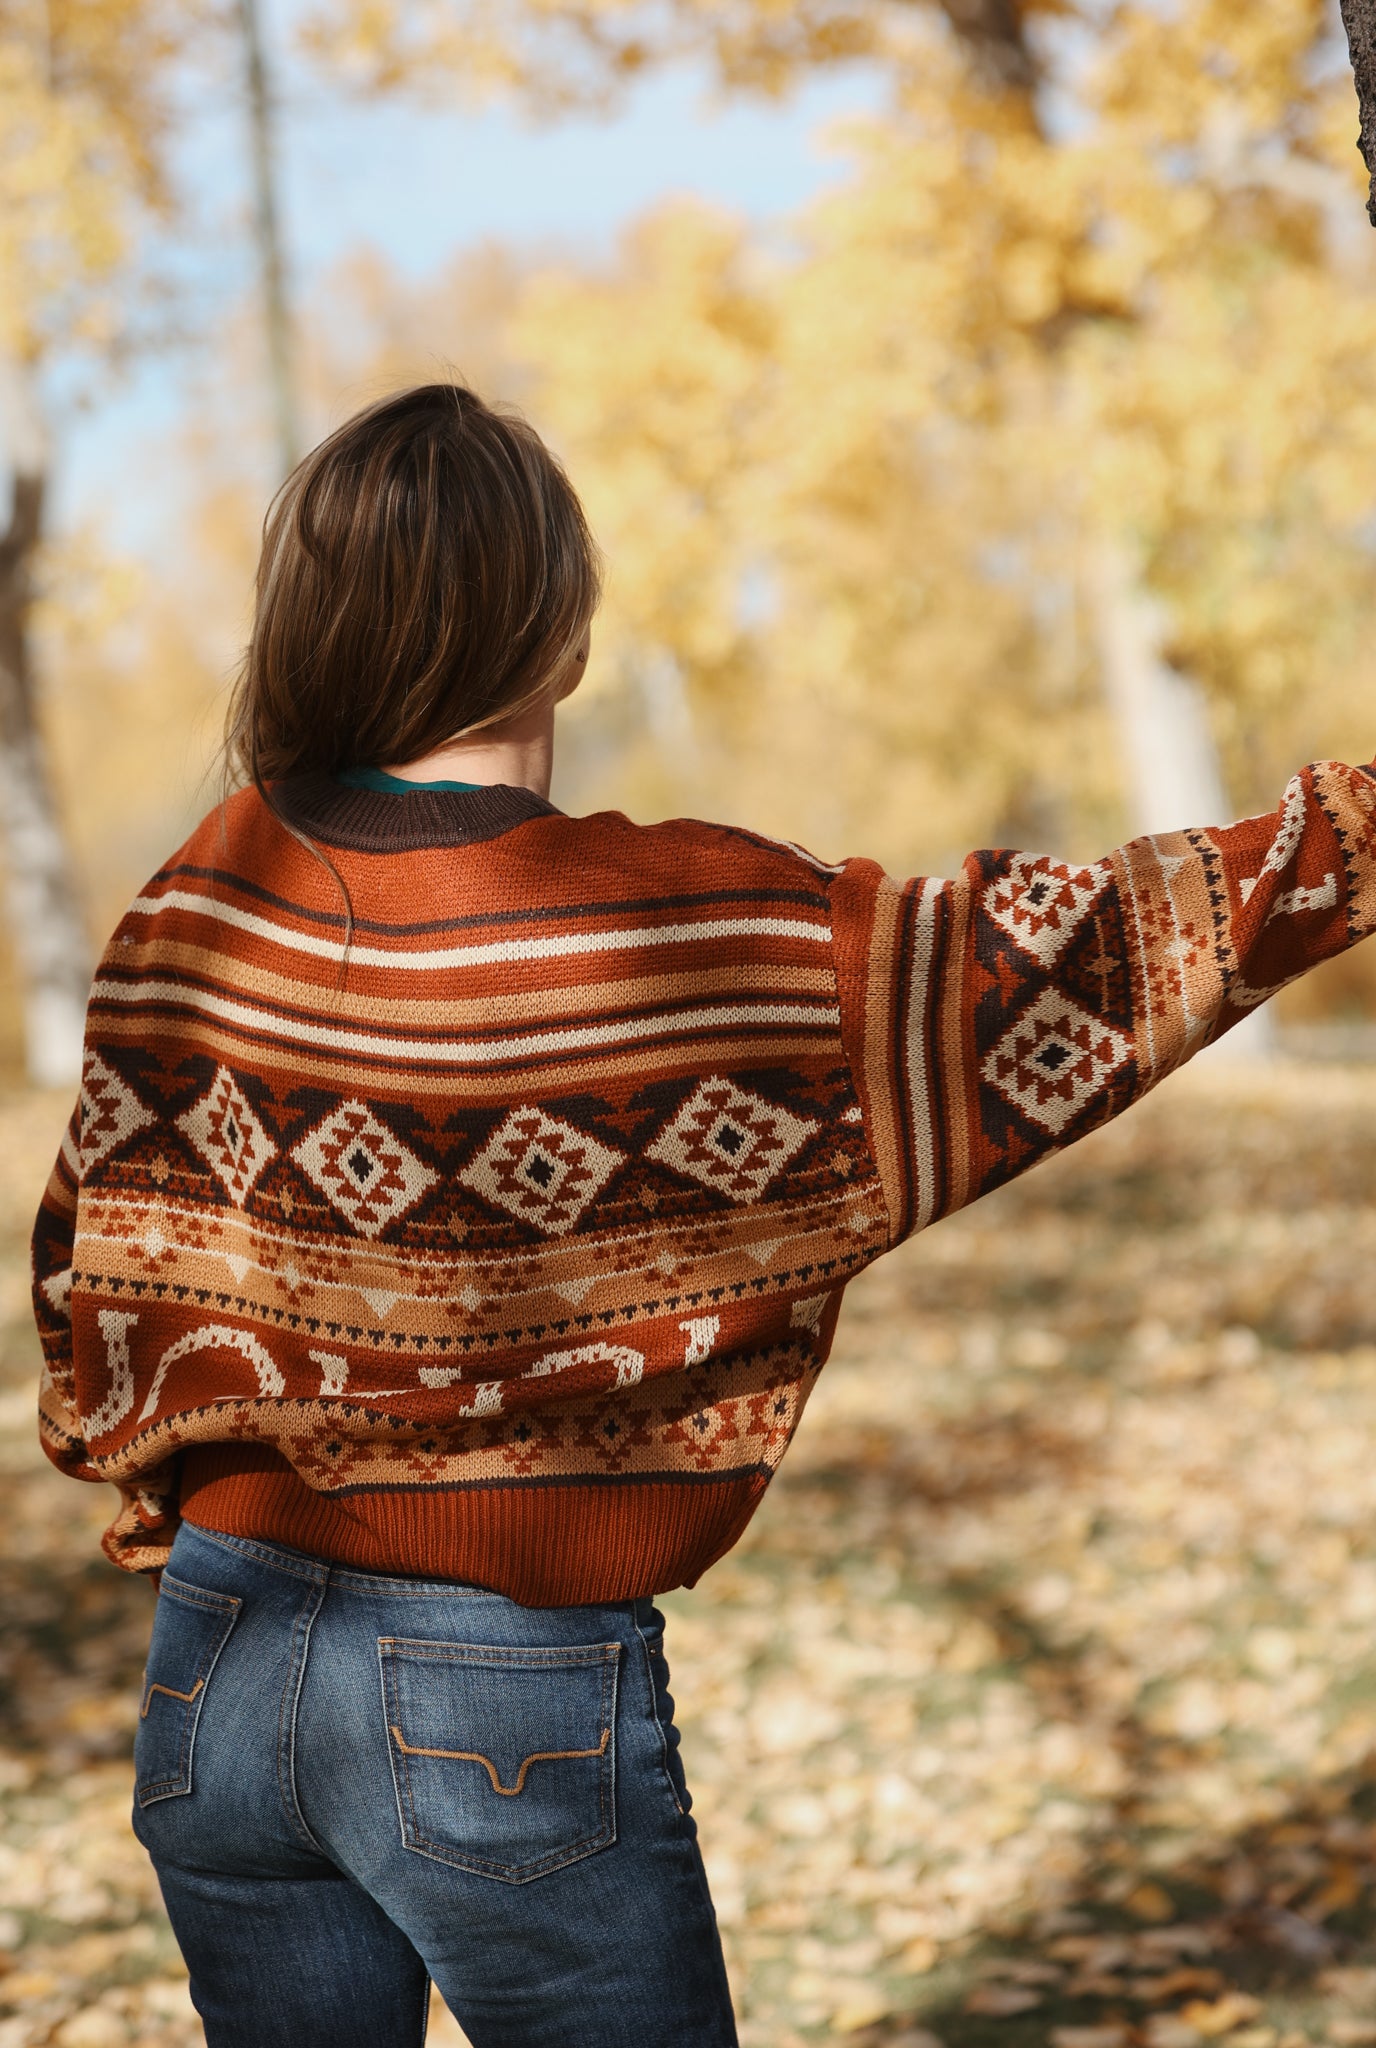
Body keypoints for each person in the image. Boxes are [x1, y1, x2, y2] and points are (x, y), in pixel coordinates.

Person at [29, 383, 1376, 2048]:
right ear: (562, 630)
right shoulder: (678, 927)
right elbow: (1059, 956)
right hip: (500, 1687)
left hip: (215, 1660)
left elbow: (85, 1278)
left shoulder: (191, 909)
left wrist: (178, 1482)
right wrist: (1354, 832)